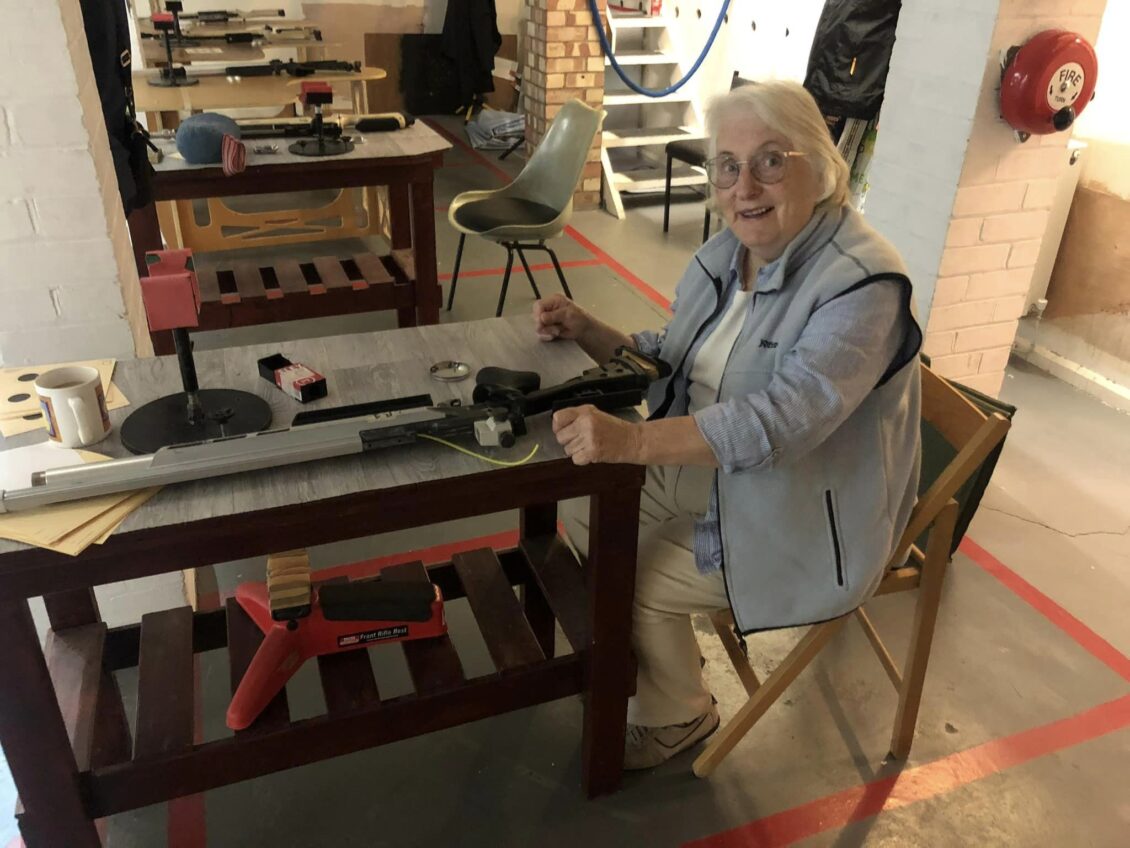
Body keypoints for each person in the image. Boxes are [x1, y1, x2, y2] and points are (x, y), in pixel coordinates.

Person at [533, 80, 923, 770]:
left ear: (823, 169)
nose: (745, 185)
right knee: (589, 511)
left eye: (772, 159)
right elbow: (677, 353)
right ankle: (663, 671)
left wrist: (634, 440)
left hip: (802, 511)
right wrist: (591, 330)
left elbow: (780, 423)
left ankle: (679, 716)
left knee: (636, 578)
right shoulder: (730, 253)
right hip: (712, 475)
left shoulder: (863, 286)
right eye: (727, 164)